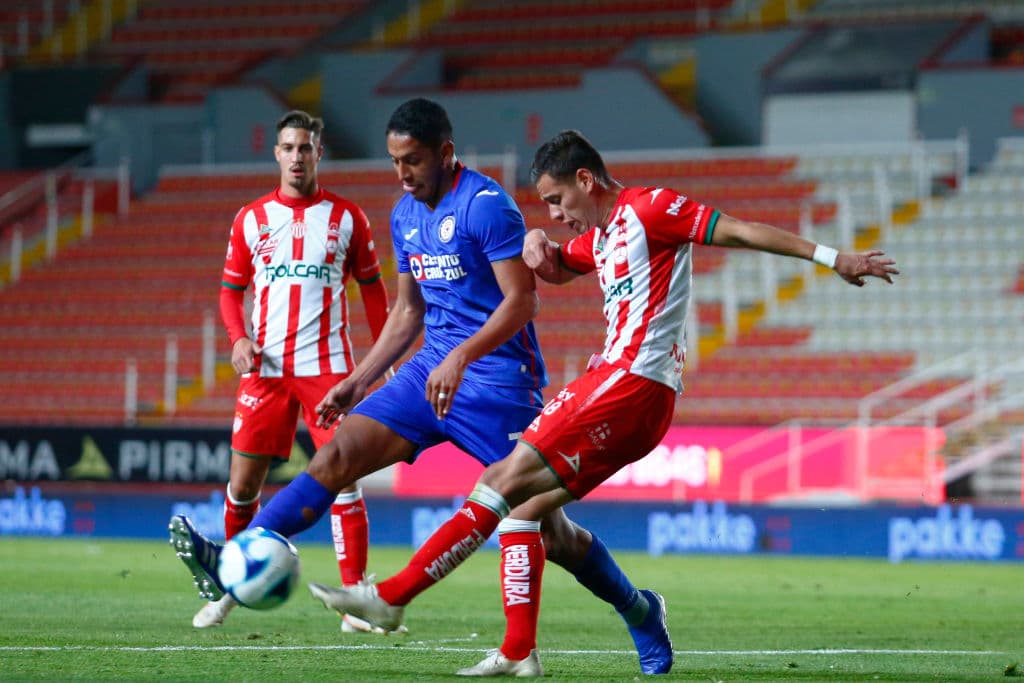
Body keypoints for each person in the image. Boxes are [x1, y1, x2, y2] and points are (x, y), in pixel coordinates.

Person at [304, 129, 901, 672]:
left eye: (558, 201)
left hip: (629, 381)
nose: (557, 214)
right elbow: (561, 268)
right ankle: (617, 621)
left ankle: (390, 598)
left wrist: (833, 258)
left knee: (502, 479)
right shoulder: (605, 236)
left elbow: (740, 230)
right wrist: (540, 249)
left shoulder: (653, 210)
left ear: (586, 181)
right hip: (631, 397)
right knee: (526, 512)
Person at [169, 101, 673, 676]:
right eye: (394, 161)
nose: (403, 173)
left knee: (548, 531)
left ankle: (637, 609)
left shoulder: (486, 207)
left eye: (413, 160)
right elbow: (408, 312)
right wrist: (356, 382)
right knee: (337, 456)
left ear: (445, 154)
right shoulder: (405, 215)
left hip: (497, 381)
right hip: (426, 372)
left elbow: (522, 301)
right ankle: (231, 556)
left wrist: (461, 356)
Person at [174, 110, 391, 631]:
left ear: (319, 153)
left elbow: (375, 294)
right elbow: (230, 294)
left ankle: (355, 599)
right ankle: (228, 590)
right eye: (289, 147)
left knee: (345, 478)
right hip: (266, 371)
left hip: (330, 370)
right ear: (277, 153)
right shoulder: (251, 218)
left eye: (306, 147)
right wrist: (238, 339)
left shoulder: (347, 218)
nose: (297, 156)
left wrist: (381, 362)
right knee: (243, 485)